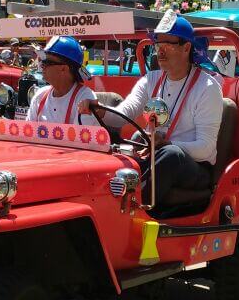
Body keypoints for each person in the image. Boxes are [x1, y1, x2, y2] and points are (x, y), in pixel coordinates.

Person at [80, 11, 223, 205]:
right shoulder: (151, 79)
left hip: (193, 166)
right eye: (158, 44)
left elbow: (206, 149)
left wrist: (167, 143)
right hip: (156, 154)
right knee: (126, 145)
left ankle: (136, 209)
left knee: (171, 155)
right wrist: (99, 109)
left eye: (167, 45)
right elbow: (125, 114)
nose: (160, 51)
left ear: (186, 47)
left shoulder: (207, 87)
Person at [26, 36, 97, 125]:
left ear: (63, 69)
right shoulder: (39, 96)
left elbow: (78, 137)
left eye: (47, 62)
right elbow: (28, 133)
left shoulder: (85, 97)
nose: (41, 66)